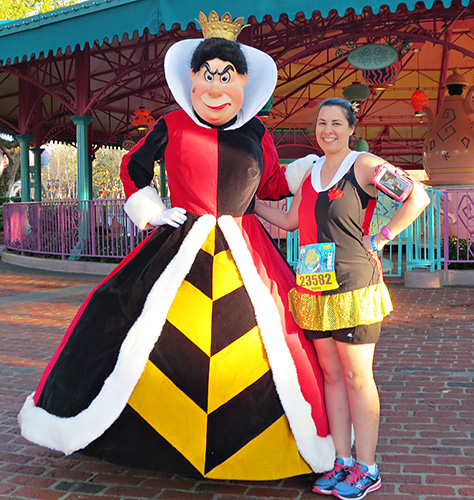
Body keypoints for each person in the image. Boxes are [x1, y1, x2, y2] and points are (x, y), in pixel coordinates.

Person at [18, 12, 335, 480]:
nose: (215, 86)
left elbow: (268, 185)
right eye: (207, 75)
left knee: (274, 336)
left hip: (246, 248)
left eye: (227, 77)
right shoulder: (171, 123)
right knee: (117, 309)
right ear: (191, 79)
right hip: (180, 239)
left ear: (243, 83)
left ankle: (285, 445)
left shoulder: (258, 133)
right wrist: (153, 208)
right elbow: (132, 167)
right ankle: (140, 435)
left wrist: (303, 171)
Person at [255, 97, 430, 498]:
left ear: (351, 129)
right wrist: (248, 205)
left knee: (356, 376)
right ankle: (343, 460)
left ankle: (368, 468)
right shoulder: (311, 173)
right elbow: (290, 220)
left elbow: (416, 197)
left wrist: (383, 237)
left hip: (354, 285)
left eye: (336, 123)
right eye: (321, 123)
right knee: (331, 377)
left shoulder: (364, 166)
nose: (327, 130)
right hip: (314, 286)